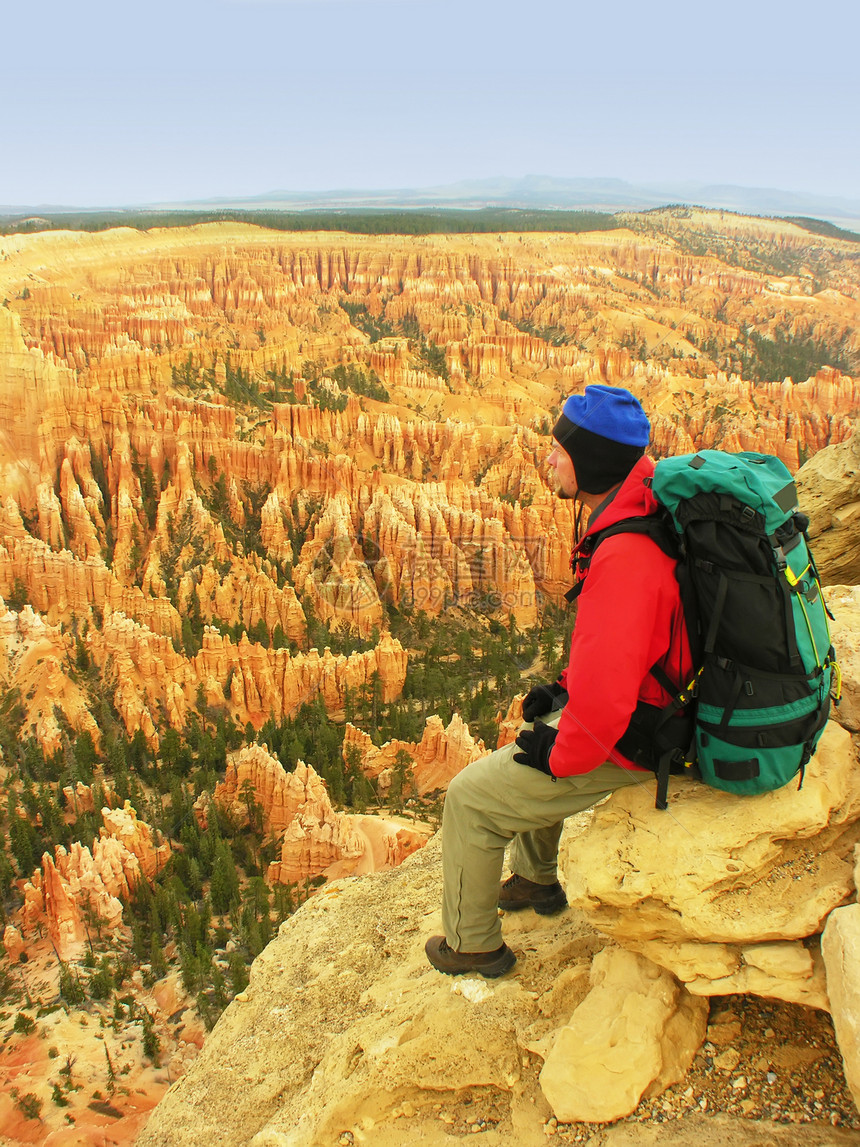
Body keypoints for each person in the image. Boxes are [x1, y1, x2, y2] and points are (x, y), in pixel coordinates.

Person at [425, 384, 692, 977]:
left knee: (470, 798)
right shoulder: (642, 507)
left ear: (592, 461)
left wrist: (561, 752)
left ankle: (472, 947)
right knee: (544, 728)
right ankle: (536, 882)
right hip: (665, 701)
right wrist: (563, 690)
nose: (547, 459)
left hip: (653, 732)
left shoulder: (625, 556)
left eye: (559, 449)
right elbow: (621, 653)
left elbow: (605, 706)